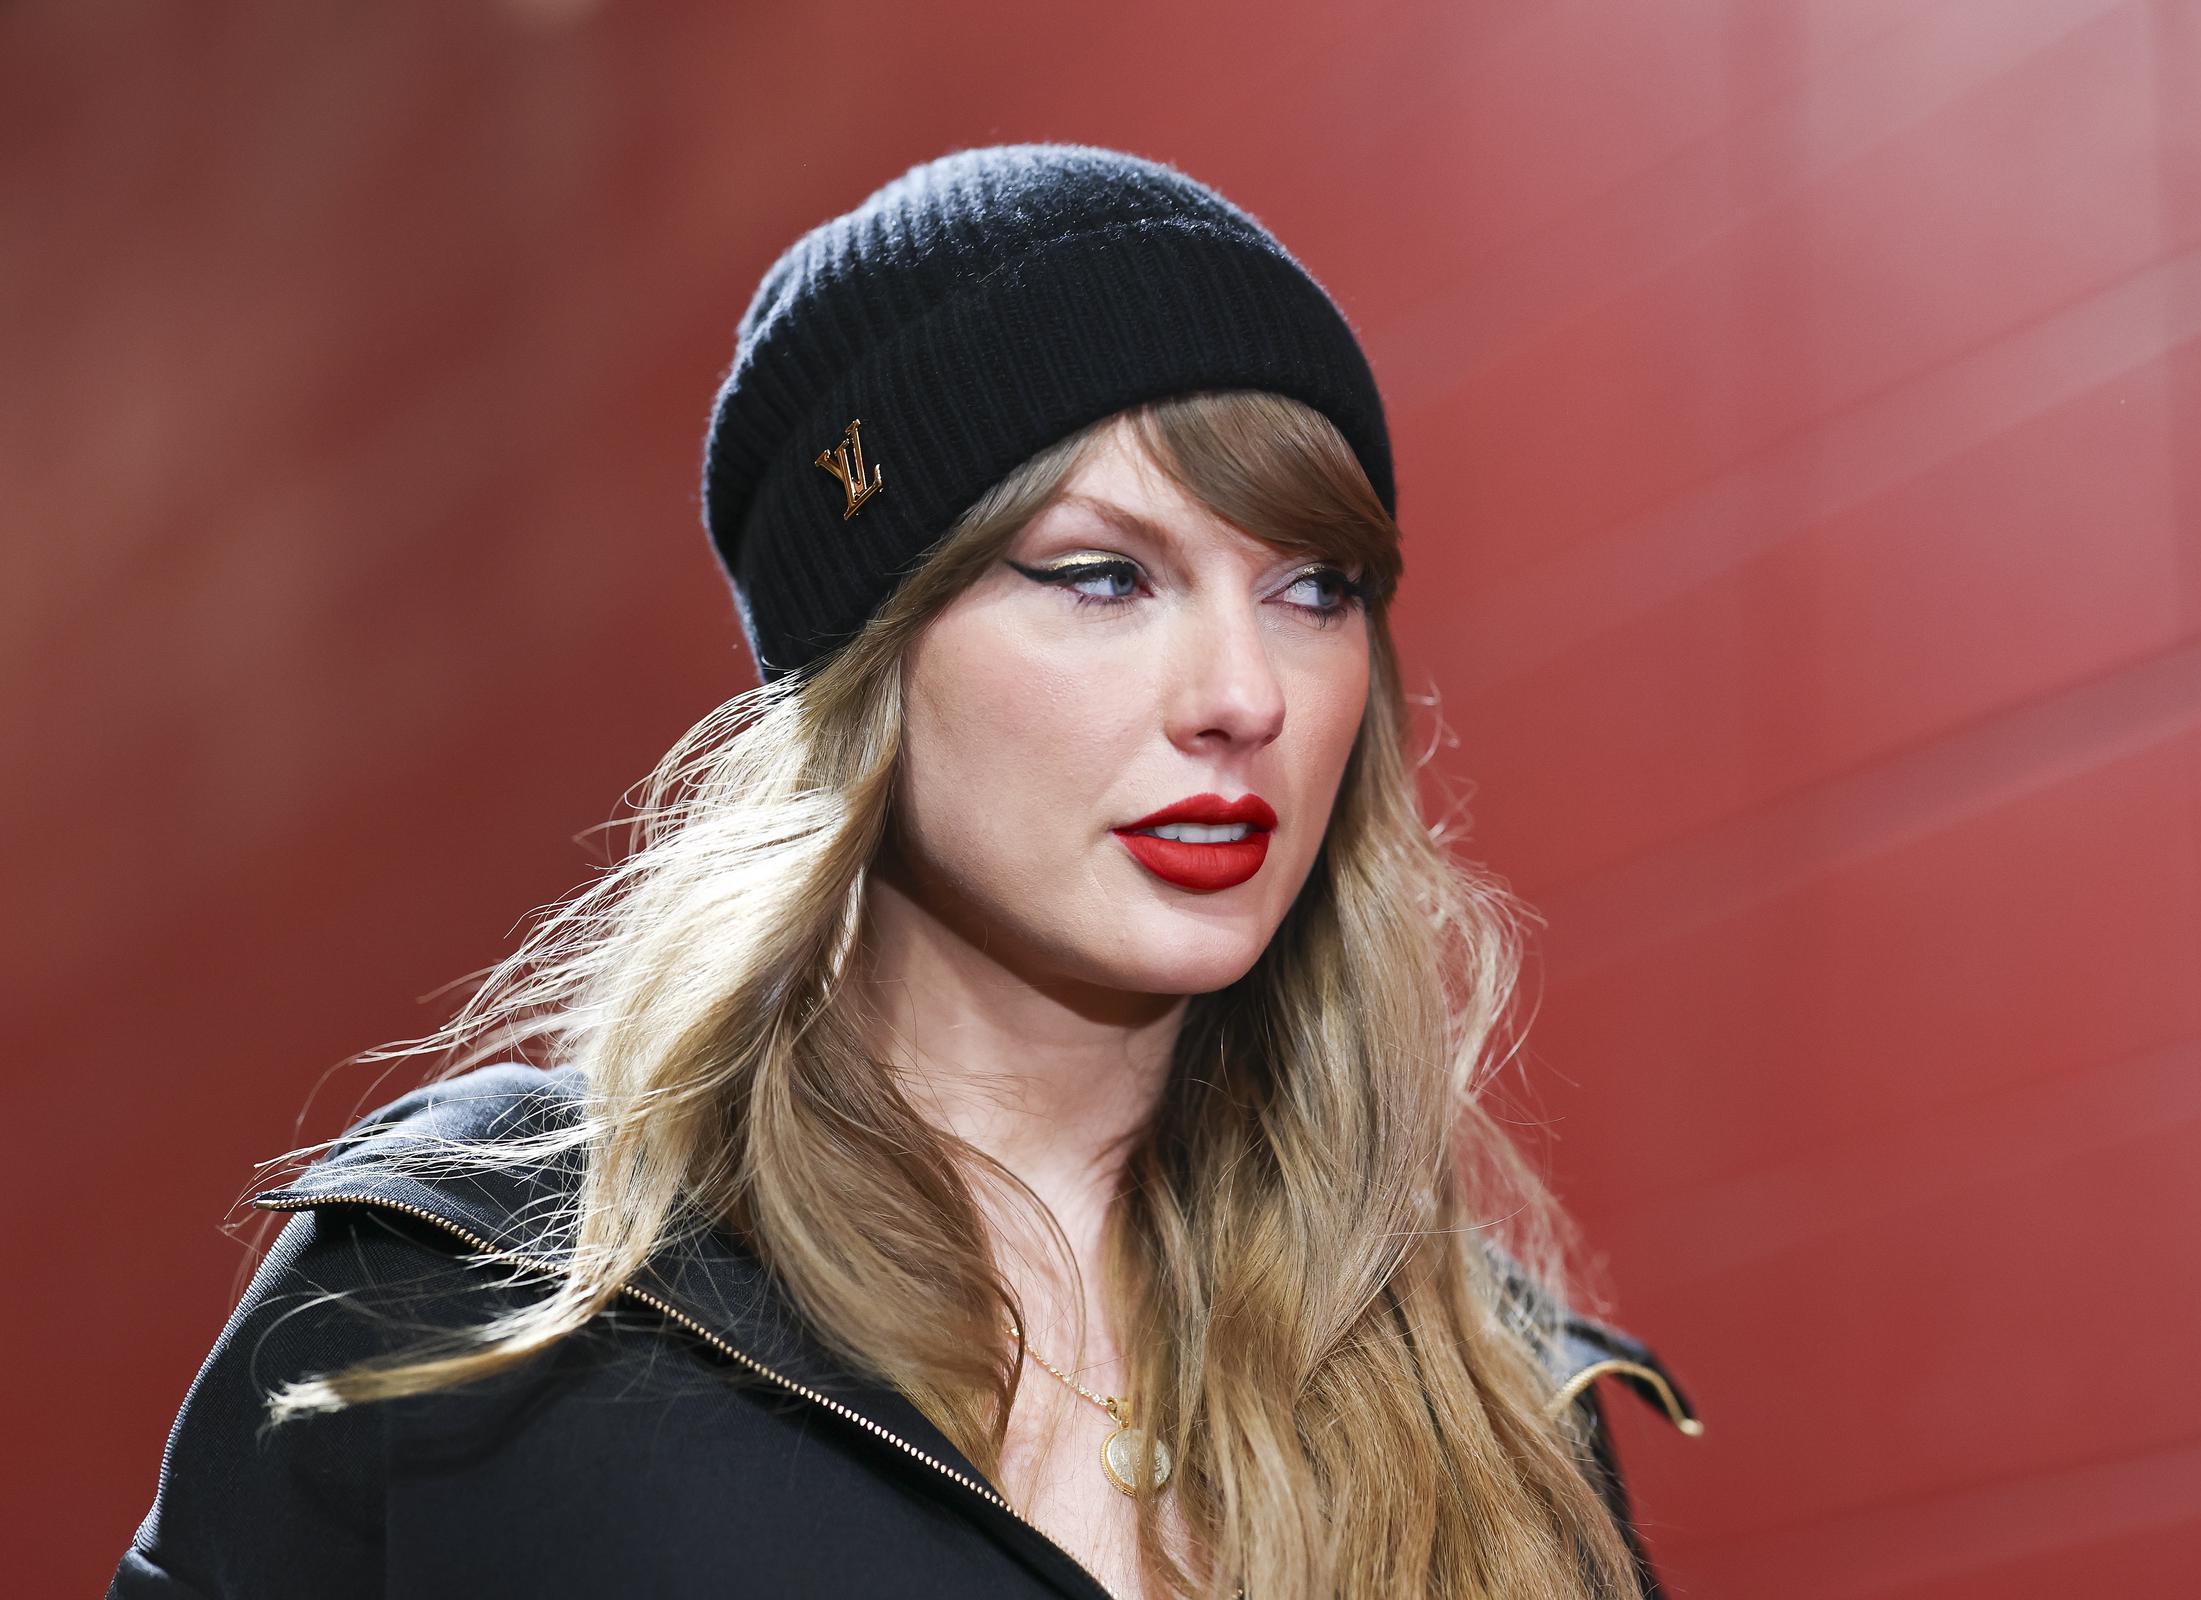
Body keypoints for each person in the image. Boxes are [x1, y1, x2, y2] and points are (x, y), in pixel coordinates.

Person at [108, 142, 1700, 1600]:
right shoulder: (471, 1287)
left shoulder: (1498, 1404)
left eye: (1314, 587)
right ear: (869, 666)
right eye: (1100, 577)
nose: (1246, 694)